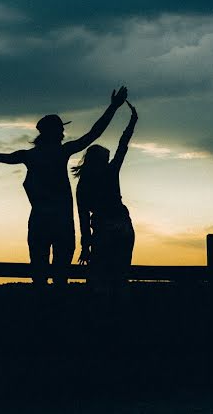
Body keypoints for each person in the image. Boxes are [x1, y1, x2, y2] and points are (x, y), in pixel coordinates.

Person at [0, 87, 128, 286]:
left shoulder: (30, 156)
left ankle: (42, 311)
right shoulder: (60, 152)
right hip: (61, 224)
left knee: (40, 276)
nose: (64, 132)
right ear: (53, 132)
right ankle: (51, 313)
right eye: (60, 129)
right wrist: (114, 107)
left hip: (40, 222)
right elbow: (94, 133)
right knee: (59, 278)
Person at [73, 100, 138, 291]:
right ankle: (116, 313)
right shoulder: (110, 171)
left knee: (99, 277)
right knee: (120, 275)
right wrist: (132, 122)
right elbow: (123, 145)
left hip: (103, 228)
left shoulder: (83, 185)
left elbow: (83, 219)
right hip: (122, 224)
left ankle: (100, 312)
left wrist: (85, 246)